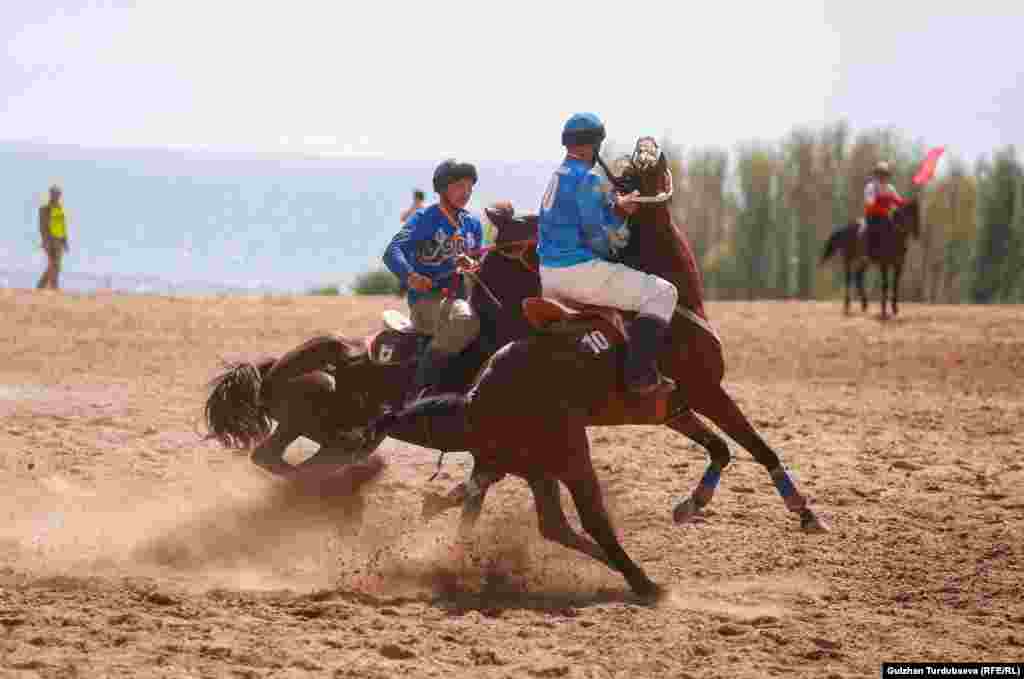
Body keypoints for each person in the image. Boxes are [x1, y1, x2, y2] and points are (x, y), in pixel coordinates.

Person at [537, 113, 678, 395]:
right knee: (664, 293)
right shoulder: (586, 178)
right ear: (592, 144)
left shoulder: (558, 174)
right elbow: (597, 235)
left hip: (548, 275)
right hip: (579, 273)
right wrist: (620, 214)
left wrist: (614, 208)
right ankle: (639, 374)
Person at [383, 160, 483, 401]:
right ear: (442, 188)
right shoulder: (425, 217)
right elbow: (392, 251)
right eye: (460, 186)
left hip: (463, 299)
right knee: (464, 319)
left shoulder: (473, 225)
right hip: (427, 303)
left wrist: (473, 266)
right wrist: (411, 276)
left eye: (470, 187)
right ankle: (421, 388)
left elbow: (478, 265)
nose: (466, 192)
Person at [864, 161, 906, 259]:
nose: (882, 176)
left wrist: (905, 204)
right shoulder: (871, 186)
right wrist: (882, 200)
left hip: (886, 216)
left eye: (884, 174)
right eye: (880, 173)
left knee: (897, 228)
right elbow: (869, 203)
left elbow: (898, 200)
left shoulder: (890, 187)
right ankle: (867, 253)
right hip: (873, 216)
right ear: (877, 174)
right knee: (873, 231)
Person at [37, 185, 69, 290]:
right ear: (50, 194)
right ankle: (45, 286)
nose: (57, 196)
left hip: (59, 240)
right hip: (50, 240)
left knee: (57, 266)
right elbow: (42, 226)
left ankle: (49, 286)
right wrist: (45, 241)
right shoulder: (45, 208)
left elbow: (62, 225)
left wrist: (65, 240)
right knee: (53, 264)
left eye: (58, 194)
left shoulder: (60, 208)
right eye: (55, 193)